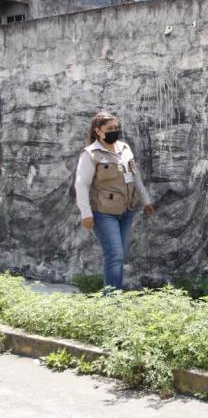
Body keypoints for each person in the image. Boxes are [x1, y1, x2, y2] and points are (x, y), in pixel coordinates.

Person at [74, 111, 155, 290]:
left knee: (121, 254)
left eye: (116, 128)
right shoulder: (90, 154)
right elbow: (81, 185)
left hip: (127, 211)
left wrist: (146, 200)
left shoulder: (125, 149)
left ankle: (113, 295)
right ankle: (111, 301)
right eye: (109, 128)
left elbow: (135, 176)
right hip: (103, 213)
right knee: (115, 255)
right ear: (98, 131)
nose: (114, 131)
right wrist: (86, 214)